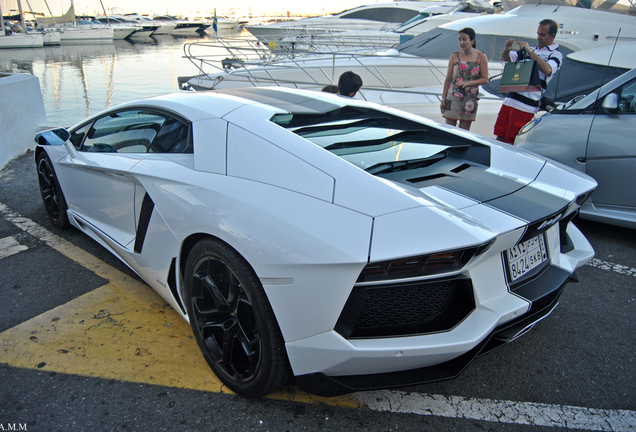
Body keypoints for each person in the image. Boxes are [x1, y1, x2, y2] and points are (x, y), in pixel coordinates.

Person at [494, 19, 563, 143]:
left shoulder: (555, 54)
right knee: (499, 138)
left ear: (552, 36)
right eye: (538, 34)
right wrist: (507, 48)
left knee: (513, 141)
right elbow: (505, 58)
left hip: (525, 107)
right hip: (510, 100)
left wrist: (530, 51)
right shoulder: (529, 50)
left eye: (542, 34)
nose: (539, 37)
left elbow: (548, 70)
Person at [440, 28, 488, 131]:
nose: (461, 42)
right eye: (459, 39)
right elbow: (448, 79)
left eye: (464, 39)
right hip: (453, 96)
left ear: (472, 41)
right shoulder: (454, 56)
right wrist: (443, 99)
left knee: (465, 130)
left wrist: (468, 83)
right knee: (449, 129)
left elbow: (485, 79)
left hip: (470, 98)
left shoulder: (481, 57)